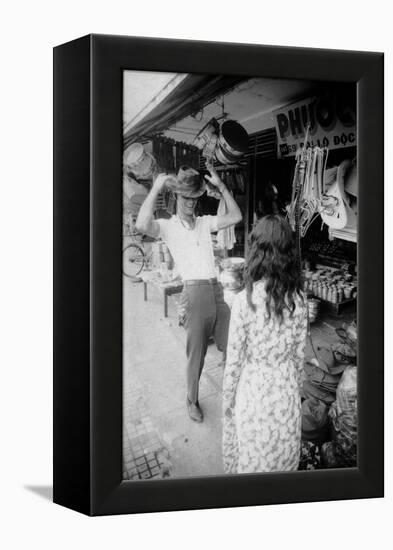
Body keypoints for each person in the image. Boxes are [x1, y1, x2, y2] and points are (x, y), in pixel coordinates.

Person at [136, 163, 242, 423]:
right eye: (185, 198)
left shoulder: (205, 223)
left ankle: (233, 395)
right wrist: (156, 187)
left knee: (234, 346)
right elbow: (141, 224)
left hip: (217, 290)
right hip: (194, 294)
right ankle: (191, 400)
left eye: (195, 198)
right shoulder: (168, 226)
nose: (191, 204)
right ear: (176, 197)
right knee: (197, 355)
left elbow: (236, 217)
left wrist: (222, 187)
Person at [222, 214, 307, 473]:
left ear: (257, 251)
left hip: (254, 396)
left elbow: (234, 364)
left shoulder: (243, 302)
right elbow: (299, 360)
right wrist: (295, 390)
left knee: (253, 466)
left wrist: (227, 404)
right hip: (286, 395)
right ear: (288, 254)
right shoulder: (300, 301)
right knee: (283, 465)